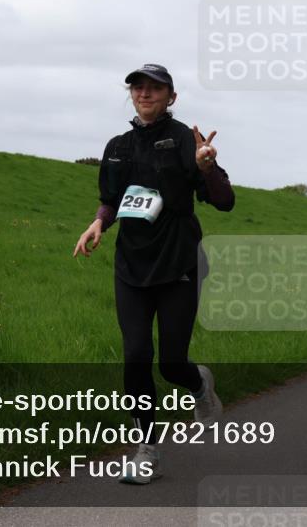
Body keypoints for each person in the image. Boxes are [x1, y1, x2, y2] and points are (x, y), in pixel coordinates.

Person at [73, 63, 235, 484]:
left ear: (171, 97)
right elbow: (112, 200)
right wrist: (99, 222)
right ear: (131, 95)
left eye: (155, 88)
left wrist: (206, 167)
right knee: (136, 356)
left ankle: (199, 384)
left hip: (178, 261)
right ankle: (146, 450)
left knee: (172, 362)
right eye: (138, 87)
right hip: (131, 264)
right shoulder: (117, 146)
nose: (145, 94)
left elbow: (224, 200)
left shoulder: (185, 139)